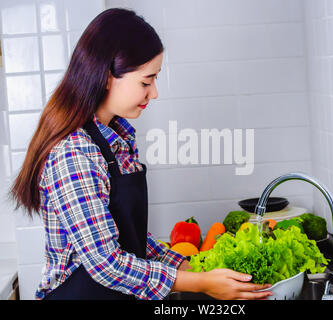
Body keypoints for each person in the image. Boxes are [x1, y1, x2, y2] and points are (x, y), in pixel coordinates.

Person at [10, 8, 273, 300]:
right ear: (108, 76)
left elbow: (128, 238)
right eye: (146, 82)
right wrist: (199, 284)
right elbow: (105, 263)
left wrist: (193, 266)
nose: (154, 93)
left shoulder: (117, 140)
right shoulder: (73, 153)